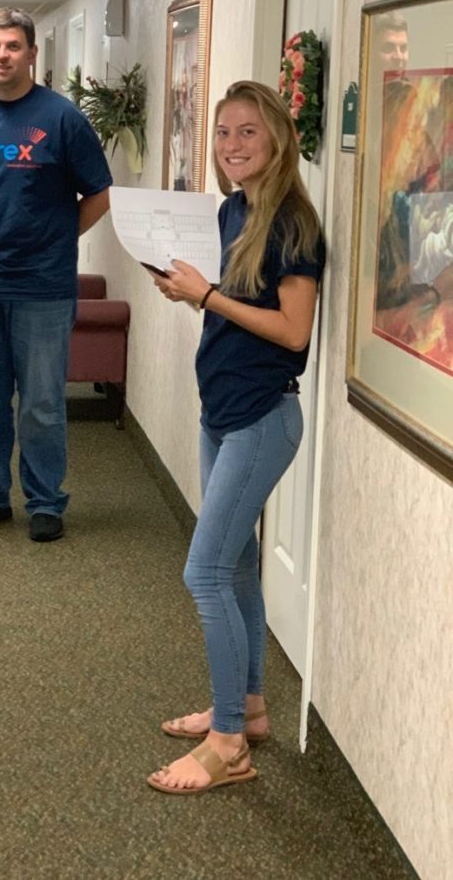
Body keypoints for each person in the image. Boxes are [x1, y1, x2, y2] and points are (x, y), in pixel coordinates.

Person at [146, 80, 326, 794]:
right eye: (222, 132)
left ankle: (228, 744)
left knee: (205, 571)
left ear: (277, 138)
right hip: (219, 410)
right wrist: (191, 289)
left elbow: (293, 331)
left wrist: (209, 297)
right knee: (240, 564)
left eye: (248, 132)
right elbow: (232, 305)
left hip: (262, 418)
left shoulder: (293, 224)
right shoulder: (233, 209)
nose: (231, 145)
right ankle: (248, 708)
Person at [0, 6, 112, 543]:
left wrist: (56, 238)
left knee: (42, 402)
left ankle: (45, 501)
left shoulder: (62, 118)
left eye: (13, 46)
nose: (2, 55)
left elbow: (98, 194)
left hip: (43, 287)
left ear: (32, 53)